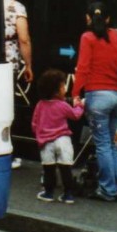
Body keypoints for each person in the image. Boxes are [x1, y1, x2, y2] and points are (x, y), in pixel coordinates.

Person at [73, 0, 117, 202]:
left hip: (97, 98)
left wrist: (76, 93)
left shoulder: (87, 38)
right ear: (108, 18)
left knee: (102, 145)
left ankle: (107, 189)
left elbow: (83, 67)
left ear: (88, 18)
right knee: (110, 145)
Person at [31, 68, 84, 204]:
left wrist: (39, 135)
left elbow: (34, 123)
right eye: (63, 86)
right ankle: (68, 195)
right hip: (63, 140)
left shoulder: (40, 105)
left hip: (46, 142)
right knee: (65, 168)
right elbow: (75, 115)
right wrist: (79, 106)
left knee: (49, 169)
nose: (65, 89)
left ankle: (48, 193)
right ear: (56, 91)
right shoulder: (62, 105)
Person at [3, 0, 33, 169]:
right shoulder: (18, 8)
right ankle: (10, 153)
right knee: (7, 107)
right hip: (9, 63)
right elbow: (23, 39)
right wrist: (29, 65)